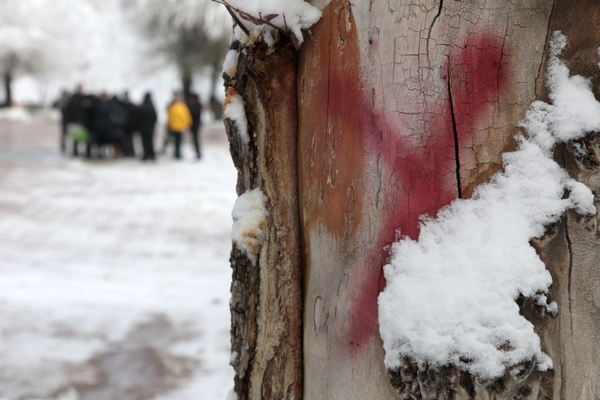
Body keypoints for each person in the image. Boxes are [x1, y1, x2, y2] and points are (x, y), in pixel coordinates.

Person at [64, 84, 93, 157]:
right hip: (75, 121)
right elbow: (69, 110)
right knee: (76, 138)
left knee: (86, 138)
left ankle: (86, 152)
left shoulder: (85, 98)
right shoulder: (73, 99)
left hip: (85, 122)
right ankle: (75, 152)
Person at [167, 92, 192, 159]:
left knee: (177, 141)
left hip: (177, 127)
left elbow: (185, 117)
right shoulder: (178, 106)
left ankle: (177, 153)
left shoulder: (177, 107)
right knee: (177, 141)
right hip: (177, 127)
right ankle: (177, 153)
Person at [139, 92, 157, 161]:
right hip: (150, 128)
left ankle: (147, 154)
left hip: (144, 128)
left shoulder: (143, 106)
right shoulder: (152, 106)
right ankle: (151, 154)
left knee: (145, 142)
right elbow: (155, 117)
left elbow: (139, 118)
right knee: (150, 141)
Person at [187, 93, 203, 159]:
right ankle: (197, 153)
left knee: (196, 140)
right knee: (195, 140)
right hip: (193, 126)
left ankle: (198, 154)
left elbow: (194, 116)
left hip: (195, 126)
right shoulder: (195, 106)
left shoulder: (197, 106)